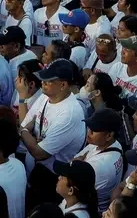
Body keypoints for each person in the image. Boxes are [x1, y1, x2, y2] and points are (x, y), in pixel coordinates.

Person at [19, 59, 87, 203]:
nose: (42, 83)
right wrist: (27, 132)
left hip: (54, 178)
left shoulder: (69, 113)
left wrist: (24, 132)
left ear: (63, 85)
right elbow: (27, 121)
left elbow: (40, 153)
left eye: (48, 80)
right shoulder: (45, 96)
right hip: (38, 169)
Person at [74, 108, 124, 212]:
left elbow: (69, 185)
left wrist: (75, 162)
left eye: (93, 130)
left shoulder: (99, 165)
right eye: (89, 128)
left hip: (88, 209)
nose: (89, 132)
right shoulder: (114, 144)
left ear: (109, 135)